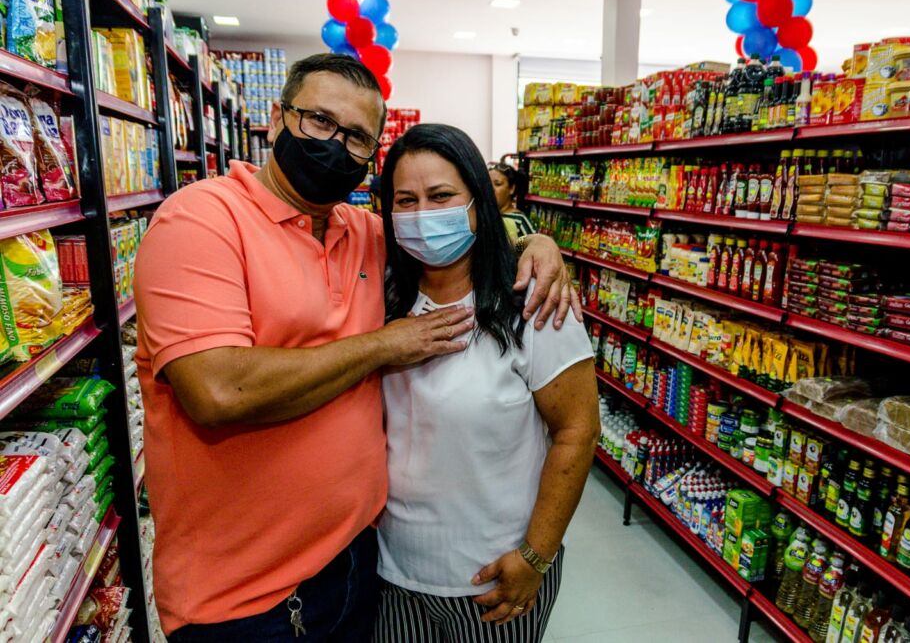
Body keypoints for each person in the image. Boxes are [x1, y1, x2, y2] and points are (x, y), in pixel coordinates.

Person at [133, 53, 578, 642]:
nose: (334, 145)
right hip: (244, 598)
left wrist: (539, 246)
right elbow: (216, 390)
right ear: (275, 118)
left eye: (358, 138)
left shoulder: (368, 236)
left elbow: (464, 242)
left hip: (359, 563)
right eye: (318, 120)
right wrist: (382, 346)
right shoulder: (199, 221)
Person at [374, 124, 599, 643]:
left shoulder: (535, 303)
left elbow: (578, 431)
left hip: (494, 574)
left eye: (442, 196)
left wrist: (535, 555)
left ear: (479, 199)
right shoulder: (379, 296)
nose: (423, 215)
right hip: (390, 571)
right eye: (405, 200)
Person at [489, 161, 536, 241]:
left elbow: (532, 249)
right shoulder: (486, 217)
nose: (491, 189)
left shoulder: (519, 222)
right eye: (488, 184)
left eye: (498, 184)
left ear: (511, 189)